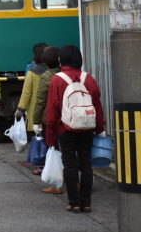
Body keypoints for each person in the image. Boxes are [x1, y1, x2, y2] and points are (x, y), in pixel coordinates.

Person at [45, 45, 106, 213]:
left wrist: (50, 133)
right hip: (87, 127)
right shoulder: (89, 79)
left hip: (65, 129)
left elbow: (52, 110)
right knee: (86, 164)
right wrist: (100, 128)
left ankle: (74, 203)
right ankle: (86, 203)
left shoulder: (57, 79)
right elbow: (97, 105)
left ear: (61, 60)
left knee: (70, 164)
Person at [31, 46, 61, 183]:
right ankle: (74, 183)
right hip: (66, 118)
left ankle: (56, 183)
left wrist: (35, 122)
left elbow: (40, 101)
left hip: (50, 119)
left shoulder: (46, 77)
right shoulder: (64, 74)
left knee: (53, 149)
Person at [15, 43, 48, 133]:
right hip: (52, 112)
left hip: (36, 113)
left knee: (39, 140)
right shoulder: (55, 72)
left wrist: (20, 110)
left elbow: (26, 93)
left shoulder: (32, 72)